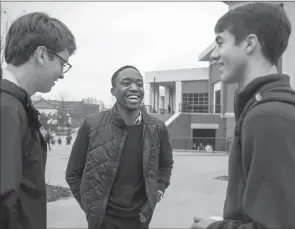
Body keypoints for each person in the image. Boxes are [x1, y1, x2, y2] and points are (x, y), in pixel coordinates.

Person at [192, 3, 295, 229]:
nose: (215, 55)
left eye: (220, 42)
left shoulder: (269, 117)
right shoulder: (269, 109)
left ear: (249, 43)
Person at [66, 65, 174, 229]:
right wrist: (91, 208)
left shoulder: (157, 128)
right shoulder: (92, 124)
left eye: (139, 84)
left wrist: (157, 193)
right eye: (126, 83)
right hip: (102, 222)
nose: (134, 88)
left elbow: (165, 165)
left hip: (140, 219)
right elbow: (73, 174)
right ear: (113, 91)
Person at [0, 12, 76, 229]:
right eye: (62, 63)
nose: (62, 75)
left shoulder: (19, 106)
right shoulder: (7, 108)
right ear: (42, 54)